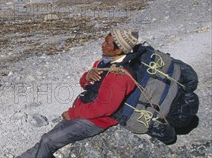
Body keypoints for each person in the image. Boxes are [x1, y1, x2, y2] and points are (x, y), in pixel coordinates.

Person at [18, 28, 139, 158]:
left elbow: (104, 108)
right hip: (84, 110)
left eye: (107, 43)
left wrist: (73, 113)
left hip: (96, 120)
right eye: (104, 41)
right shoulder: (104, 62)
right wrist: (87, 76)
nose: (102, 45)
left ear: (118, 50)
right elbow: (85, 84)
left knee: (48, 140)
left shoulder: (119, 75)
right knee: (46, 141)